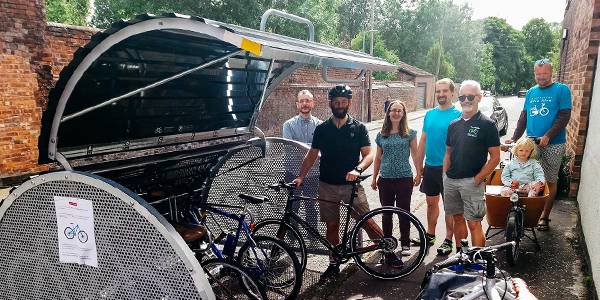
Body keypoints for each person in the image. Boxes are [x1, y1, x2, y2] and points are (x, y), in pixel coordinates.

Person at [293, 85, 398, 280]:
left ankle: (388, 251)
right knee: (331, 226)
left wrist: (357, 169)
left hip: (352, 185)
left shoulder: (358, 128)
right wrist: (300, 176)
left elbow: (369, 155)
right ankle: (334, 263)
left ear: (349, 103)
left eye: (343, 102)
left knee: (366, 220)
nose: (340, 105)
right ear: (331, 104)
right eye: (336, 102)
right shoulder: (322, 129)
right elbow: (311, 155)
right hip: (327, 186)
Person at [504, 58, 572, 231]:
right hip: (531, 143)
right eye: (538, 74)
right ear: (535, 73)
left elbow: (564, 116)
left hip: (553, 143)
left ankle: (544, 216)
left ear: (551, 72)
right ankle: (525, 211)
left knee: (548, 180)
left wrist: (548, 135)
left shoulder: (561, 90)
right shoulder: (531, 92)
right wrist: (515, 138)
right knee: (526, 176)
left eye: (545, 73)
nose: (541, 77)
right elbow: (524, 117)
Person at [444, 80, 500, 248]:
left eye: (470, 96)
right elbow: (448, 152)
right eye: (462, 97)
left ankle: (477, 264)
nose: (466, 100)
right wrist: (445, 175)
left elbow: (495, 157)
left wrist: (478, 179)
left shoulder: (487, 124)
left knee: (474, 224)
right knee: (457, 219)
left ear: (479, 97)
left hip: (472, 182)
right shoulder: (453, 124)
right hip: (451, 182)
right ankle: (461, 259)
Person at [415, 78, 462, 256]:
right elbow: (423, 141)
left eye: (444, 91)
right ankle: (430, 234)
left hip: (449, 169)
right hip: (431, 167)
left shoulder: (458, 115)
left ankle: (448, 239)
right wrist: (419, 168)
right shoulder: (430, 114)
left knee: (450, 206)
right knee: (430, 203)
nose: (441, 94)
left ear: (452, 93)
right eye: (438, 91)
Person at [371, 100, 420, 257]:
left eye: (399, 110)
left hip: (404, 178)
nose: (396, 113)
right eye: (393, 110)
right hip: (385, 179)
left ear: (404, 113)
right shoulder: (381, 135)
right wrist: (374, 178)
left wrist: (419, 173)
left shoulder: (410, 133)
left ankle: (405, 243)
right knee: (386, 213)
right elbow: (378, 158)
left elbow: (415, 154)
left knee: (403, 212)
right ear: (388, 113)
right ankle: (387, 243)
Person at [282, 90, 322, 229]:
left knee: (311, 205)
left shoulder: (320, 125)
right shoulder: (288, 125)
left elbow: (323, 149)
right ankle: (292, 237)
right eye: (302, 101)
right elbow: (290, 148)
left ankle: (312, 236)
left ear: (313, 103)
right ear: (297, 104)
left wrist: (307, 148)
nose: (305, 103)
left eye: (308, 100)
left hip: (313, 173)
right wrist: (314, 148)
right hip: (293, 172)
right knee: (293, 206)